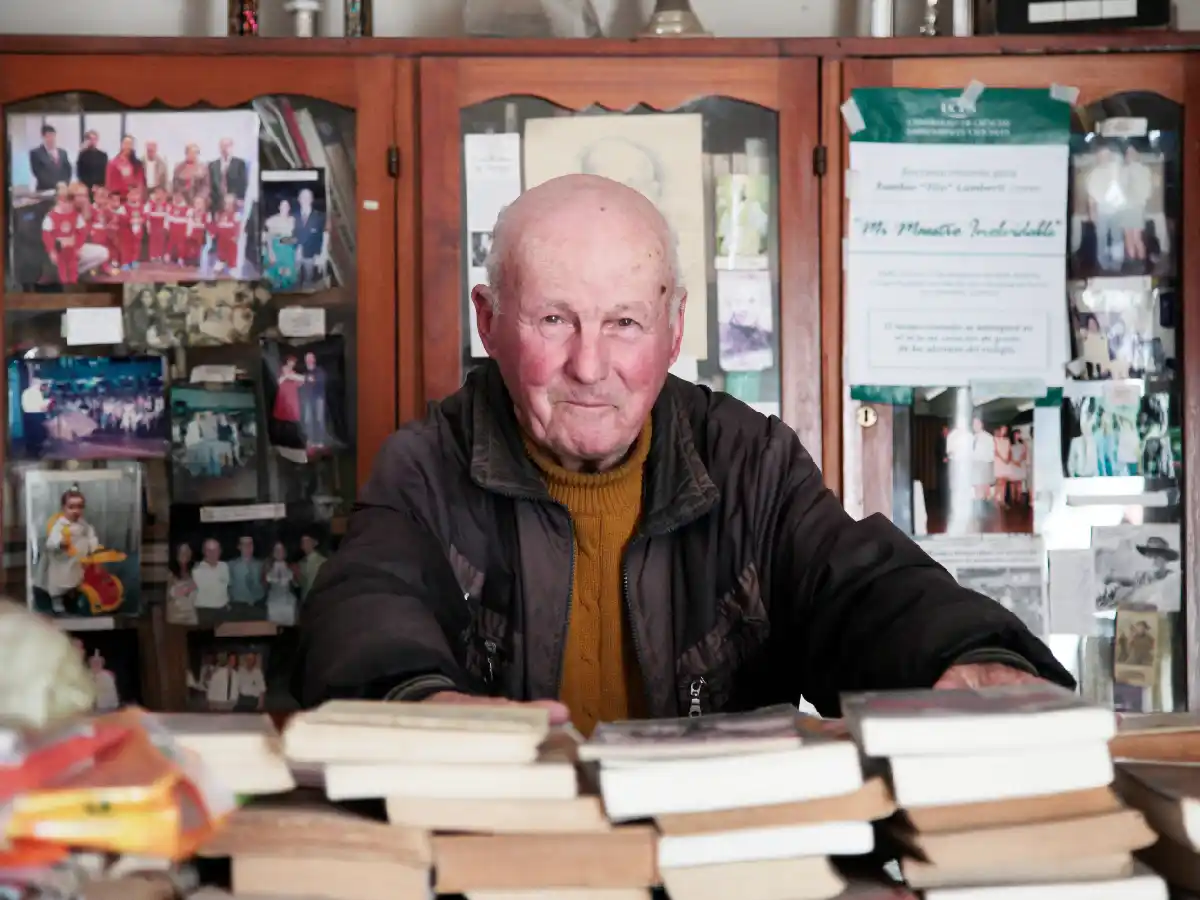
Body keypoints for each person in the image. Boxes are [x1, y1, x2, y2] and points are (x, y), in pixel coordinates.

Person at [294, 174, 1072, 733]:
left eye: (625, 323)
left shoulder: (750, 461)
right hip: (508, 864)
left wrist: (964, 655)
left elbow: (858, 586)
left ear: (673, 331)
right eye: (554, 319)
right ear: (489, 321)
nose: (590, 366)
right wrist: (415, 705)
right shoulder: (427, 464)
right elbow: (367, 603)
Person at [40, 489, 101, 615]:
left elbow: (91, 536)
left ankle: (73, 597)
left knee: (76, 579)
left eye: (79, 507)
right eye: (71, 507)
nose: (76, 511)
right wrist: (59, 543)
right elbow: (51, 541)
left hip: (76, 560)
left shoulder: (84, 525)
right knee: (59, 581)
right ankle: (57, 600)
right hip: (62, 561)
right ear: (63, 508)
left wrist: (93, 548)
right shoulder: (60, 525)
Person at [41, 181, 84, 284]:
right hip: (59, 251)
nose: (67, 205)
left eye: (69, 203)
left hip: (72, 250)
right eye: (64, 202)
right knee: (62, 271)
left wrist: (78, 247)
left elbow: (82, 232)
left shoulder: (76, 215)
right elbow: (47, 236)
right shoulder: (51, 217)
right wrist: (52, 251)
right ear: (58, 201)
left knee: (73, 270)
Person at [263, 198, 298, 290]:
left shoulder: (293, 220)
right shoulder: (272, 220)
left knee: (287, 277)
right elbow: (269, 237)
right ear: (279, 207)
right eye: (282, 205)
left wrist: (283, 240)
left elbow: (295, 239)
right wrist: (270, 251)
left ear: (289, 208)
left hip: (288, 252)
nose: (284, 208)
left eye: (286, 206)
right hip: (275, 251)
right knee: (273, 276)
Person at [294, 188, 327, 286]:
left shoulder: (320, 217)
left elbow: (323, 237)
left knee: (308, 281)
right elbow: (288, 236)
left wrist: (321, 255)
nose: (305, 199)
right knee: (293, 281)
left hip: (311, 256)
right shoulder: (293, 216)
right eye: (303, 197)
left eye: (308, 197)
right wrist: (279, 242)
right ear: (299, 199)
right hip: (293, 255)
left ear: (312, 199)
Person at [192, 538, 230, 612]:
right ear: (203, 551)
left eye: (215, 550)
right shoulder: (196, 569)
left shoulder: (224, 566)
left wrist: (227, 602)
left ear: (220, 551)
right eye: (209, 550)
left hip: (223, 609)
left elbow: (225, 586)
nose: (212, 553)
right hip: (204, 610)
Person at [228, 535, 266, 609]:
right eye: (244, 544)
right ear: (239, 547)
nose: (248, 547)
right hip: (238, 605)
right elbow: (227, 587)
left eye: (250, 544)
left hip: (258, 604)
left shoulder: (260, 564)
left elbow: (264, 584)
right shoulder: (231, 565)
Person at [30, 124, 71, 192]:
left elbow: (68, 170)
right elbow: (38, 173)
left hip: (62, 190)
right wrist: (55, 185)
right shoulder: (36, 153)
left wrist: (65, 183)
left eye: (53, 136)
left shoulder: (63, 152)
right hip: (44, 190)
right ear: (43, 137)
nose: (51, 139)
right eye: (48, 136)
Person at [265, 541, 298, 626]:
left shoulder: (291, 567)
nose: (279, 552)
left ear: (285, 552)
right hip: (273, 603)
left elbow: (296, 584)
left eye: (281, 550)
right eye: (276, 550)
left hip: (287, 603)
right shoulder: (268, 567)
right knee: (272, 627)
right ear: (273, 553)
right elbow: (266, 583)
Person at [300, 350, 328, 448]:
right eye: (307, 359)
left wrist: (308, 379)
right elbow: (301, 384)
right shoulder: (305, 372)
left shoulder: (319, 371)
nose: (308, 360)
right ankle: (310, 441)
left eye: (310, 358)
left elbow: (315, 380)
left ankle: (320, 441)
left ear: (314, 360)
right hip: (308, 399)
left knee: (319, 420)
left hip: (318, 399)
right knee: (308, 420)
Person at [166, 541, 199, 626]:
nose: (185, 554)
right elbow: (171, 593)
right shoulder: (170, 573)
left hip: (192, 615)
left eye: (187, 551)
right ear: (176, 554)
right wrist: (189, 588)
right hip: (176, 614)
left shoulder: (196, 569)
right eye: (182, 551)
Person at [104, 134, 145, 200]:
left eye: (130, 144)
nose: (128, 146)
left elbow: (140, 182)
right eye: (126, 144)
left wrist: (136, 194)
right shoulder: (113, 163)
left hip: (134, 199)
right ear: (121, 145)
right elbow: (109, 184)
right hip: (118, 199)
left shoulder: (137, 164)